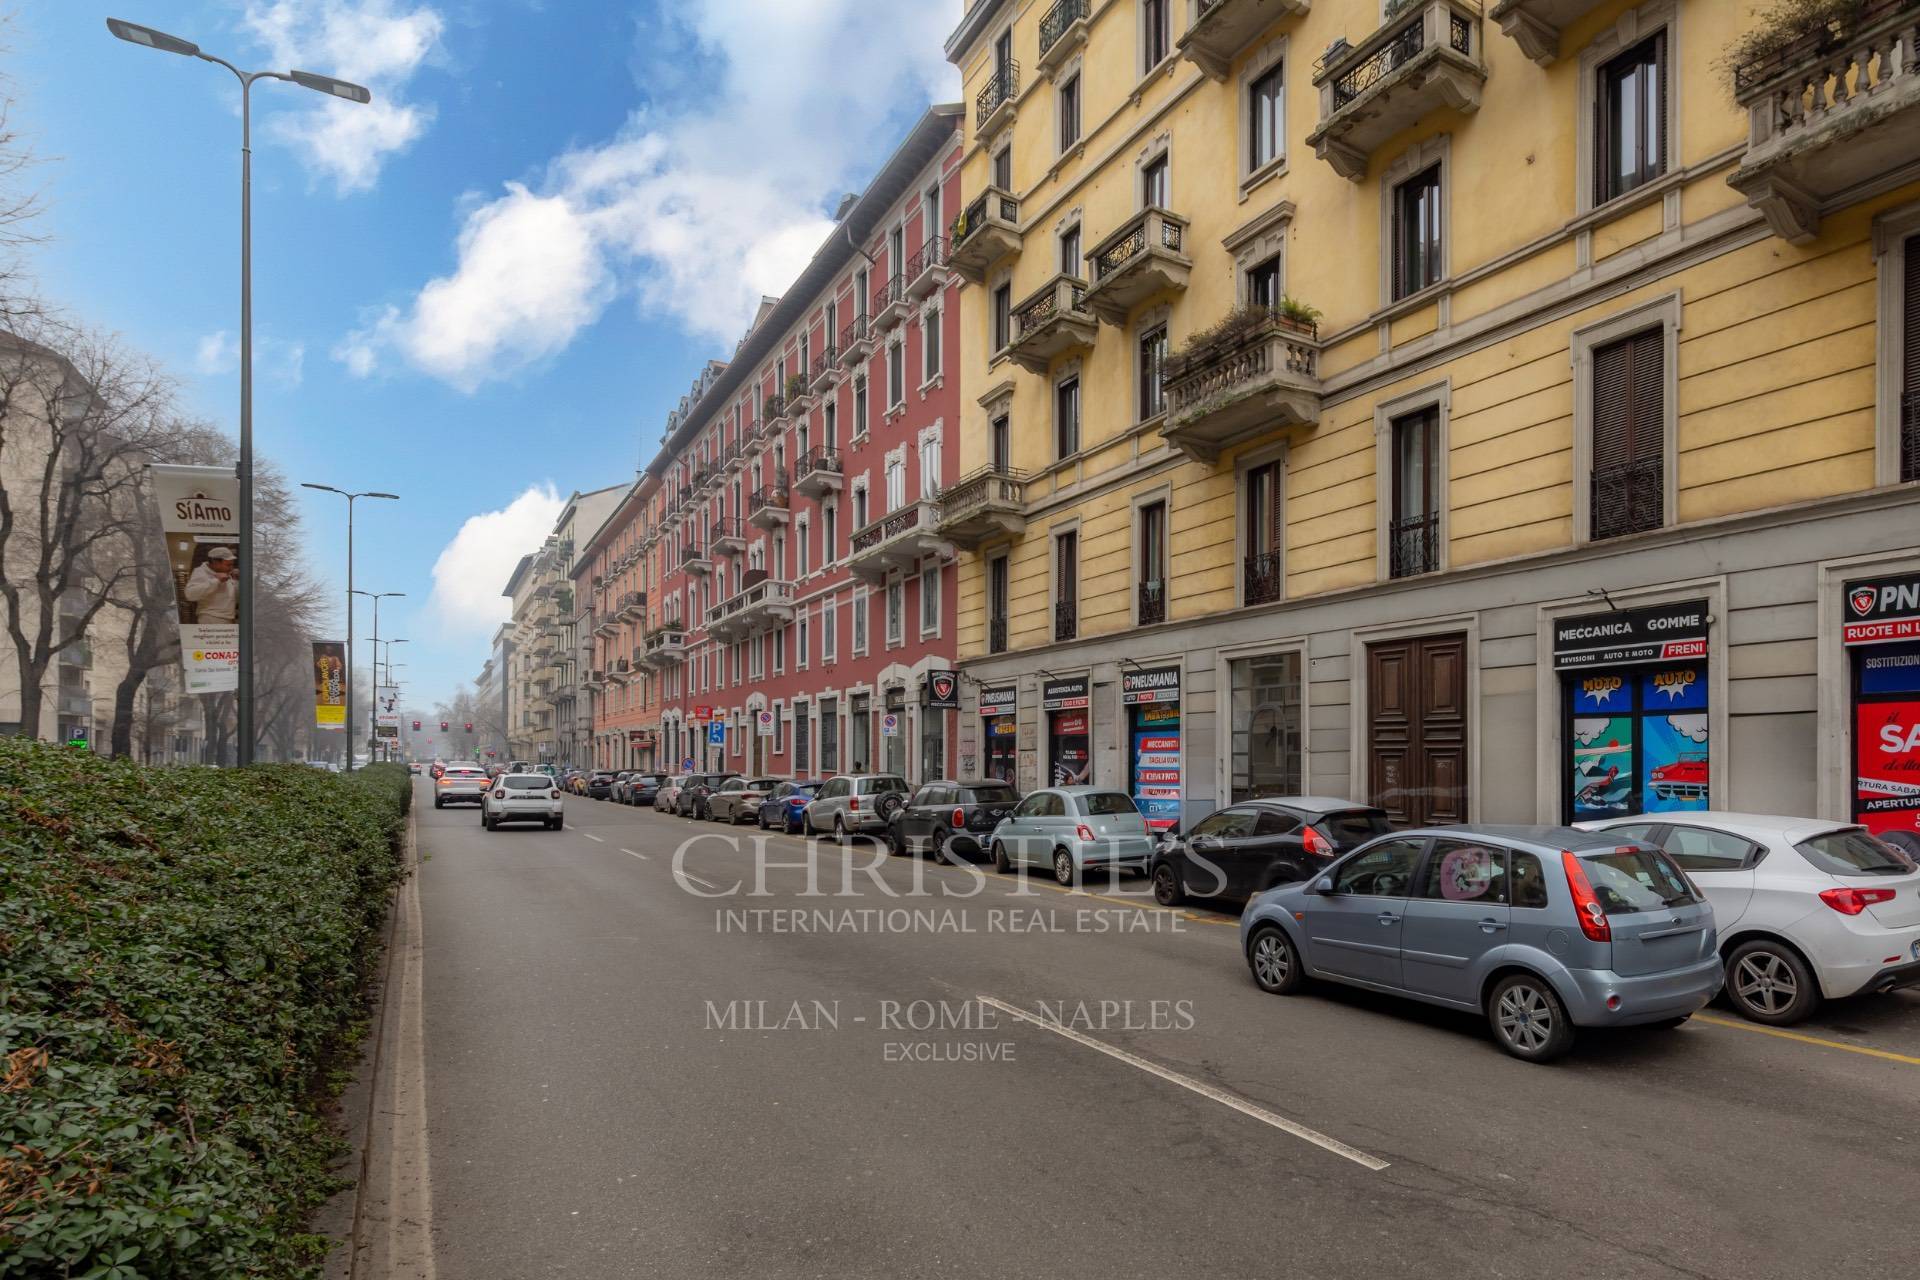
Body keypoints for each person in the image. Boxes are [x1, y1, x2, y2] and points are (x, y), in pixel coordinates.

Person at [184, 546, 239, 623]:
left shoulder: (226, 572)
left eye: (232, 565)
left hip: (228, 618)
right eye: (228, 565)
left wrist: (237, 581)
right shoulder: (201, 572)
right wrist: (216, 581)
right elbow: (190, 594)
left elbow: (231, 597)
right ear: (215, 562)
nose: (231, 568)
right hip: (211, 618)